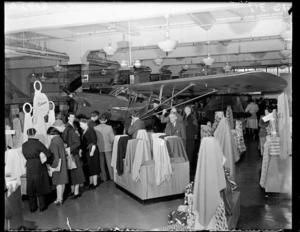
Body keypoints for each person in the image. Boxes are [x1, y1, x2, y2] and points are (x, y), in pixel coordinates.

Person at [53, 114, 85, 199]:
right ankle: (74, 191)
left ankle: (77, 192)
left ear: (60, 126)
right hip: (70, 155)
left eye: (56, 128)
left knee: (77, 173)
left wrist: (69, 149)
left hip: (74, 155)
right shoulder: (65, 131)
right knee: (73, 174)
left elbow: (77, 142)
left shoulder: (70, 131)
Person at [22, 128, 53, 212]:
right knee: (40, 185)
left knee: (31, 186)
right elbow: (48, 154)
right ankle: (42, 206)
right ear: (35, 134)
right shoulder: (38, 144)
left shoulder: (24, 145)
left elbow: (24, 156)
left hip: (29, 166)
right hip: (38, 165)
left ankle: (32, 208)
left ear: (27, 135)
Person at [47, 126, 69, 205]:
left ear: (50, 134)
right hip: (63, 164)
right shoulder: (60, 139)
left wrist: (52, 168)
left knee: (58, 183)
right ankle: (61, 198)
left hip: (57, 165)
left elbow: (55, 157)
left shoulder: (53, 142)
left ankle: (58, 199)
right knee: (62, 182)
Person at [79, 118, 101, 189]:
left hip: (92, 151)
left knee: (94, 167)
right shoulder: (84, 131)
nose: (80, 126)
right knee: (90, 167)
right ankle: (91, 183)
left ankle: (94, 184)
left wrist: (92, 152)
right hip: (87, 151)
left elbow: (94, 142)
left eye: (81, 124)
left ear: (86, 123)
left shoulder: (90, 130)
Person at [94, 114, 115, 181]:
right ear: (106, 120)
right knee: (109, 163)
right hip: (108, 147)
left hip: (99, 147)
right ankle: (112, 177)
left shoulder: (95, 128)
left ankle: (104, 178)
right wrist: (111, 144)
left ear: (99, 120)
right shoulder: (109, 127)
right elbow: (112, 138)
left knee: (101, 163)